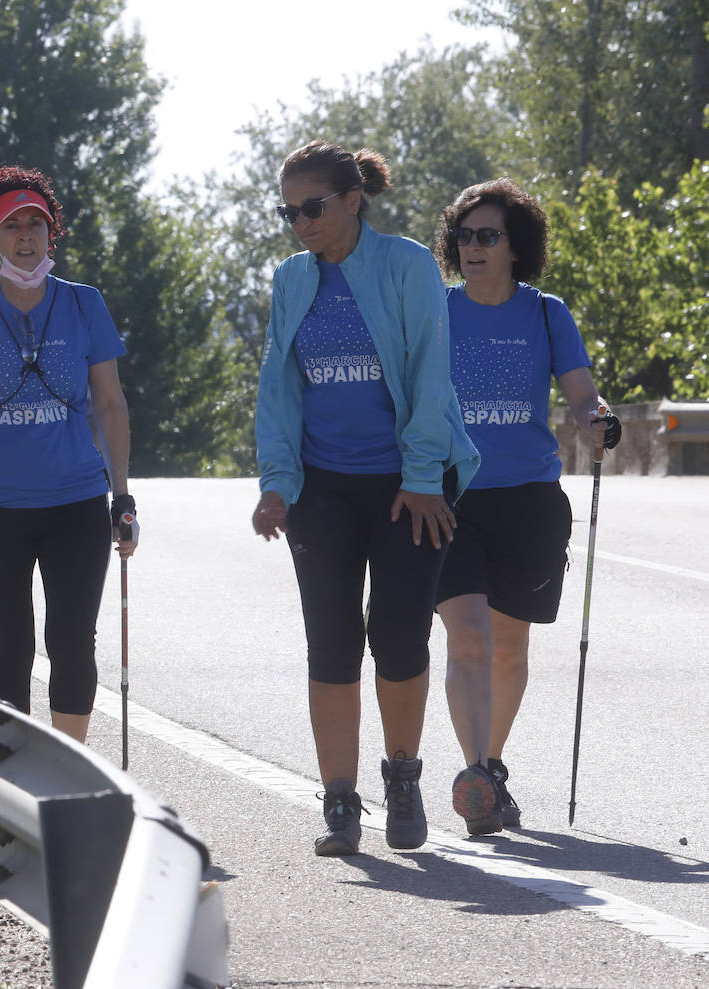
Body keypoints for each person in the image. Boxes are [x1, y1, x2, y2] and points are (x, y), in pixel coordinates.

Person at [251, 141, 480, 857]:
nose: (300, 223)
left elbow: (429, 374)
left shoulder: (407, 264)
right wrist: (275, 483)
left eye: (312, 207)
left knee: (402, 635)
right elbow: (278, 387)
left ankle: (403, 778)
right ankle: (340, 802)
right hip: (323, 485)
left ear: (353, 200)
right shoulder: (292, 279)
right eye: (288, 211)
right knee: (332, 641)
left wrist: (419, 476)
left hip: (408, 482)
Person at [432, 178, 621, 836]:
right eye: (464, 235)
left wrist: (597, 420)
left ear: (517, 247)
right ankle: (477, 775)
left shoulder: (546, 314)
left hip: (529, 501)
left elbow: (581, 395)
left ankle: (491, 766)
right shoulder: (437, 311)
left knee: (509, 649)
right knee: (469, 641)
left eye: (488, 236)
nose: (473, 247)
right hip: (450, 497)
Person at [0, 166, 138, 745]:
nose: (26, 236)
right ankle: (10, 776)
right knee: (11, 650)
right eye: (12, 225)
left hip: (75, 502)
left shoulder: (83, 304)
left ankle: (68, 773)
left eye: (37, 224)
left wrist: (122, 497)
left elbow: (111, 405)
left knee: (72, 641)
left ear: (52, 234)